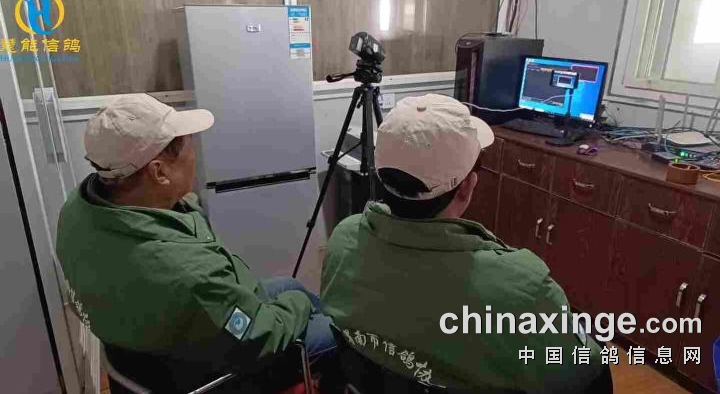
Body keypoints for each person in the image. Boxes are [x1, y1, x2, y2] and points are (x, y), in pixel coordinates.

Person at [320, 94, 608, 393]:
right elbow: (581, 372)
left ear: (381, 175)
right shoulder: (521, 286)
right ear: (467, 187)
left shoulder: (344, 237)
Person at [56, 94, 335, 392]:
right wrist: (297, 306)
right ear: (159, 172)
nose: (195, 153)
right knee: (337, 330)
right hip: (217, 363)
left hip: (154, 339)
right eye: (187, 145)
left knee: (290, 285)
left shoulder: (77, 211)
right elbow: (255, 335)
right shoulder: (187, 273)